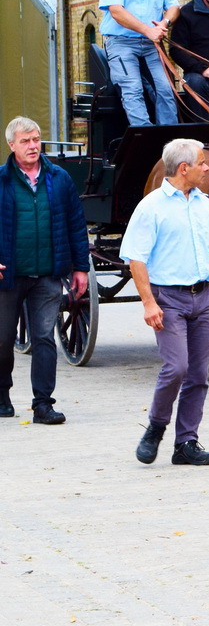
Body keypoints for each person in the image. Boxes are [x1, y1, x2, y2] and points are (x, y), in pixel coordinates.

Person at [121, 138, 209, 465]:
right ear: (184, 169)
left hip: (202, 298)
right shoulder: (151, 207)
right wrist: (149, 303)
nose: (208, 167)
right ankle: (155, 426)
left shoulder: (204, 205)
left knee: (198, 374)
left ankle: (187, 443)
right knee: (176, 367)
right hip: (169, 299)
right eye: (201, 163)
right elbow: (135, 259)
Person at [0, 117, 90, 424]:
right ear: (11, 145)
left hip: (49, 274)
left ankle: (43, 404)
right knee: (2, 339)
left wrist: (80, 268)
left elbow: (76, 225)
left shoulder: (59, 178)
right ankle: (2, 395)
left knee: (44, 338)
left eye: (36, 139)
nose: (33, 146)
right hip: (7, 277)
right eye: (25, 141)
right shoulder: (1, 180)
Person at [97, 0, 181, 127]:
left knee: (166, 89)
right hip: (121, 42)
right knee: (132, 88)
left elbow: (174, 7)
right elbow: (116, 11)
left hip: (152, 44)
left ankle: (170, 141)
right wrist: (148, 30)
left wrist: (165, 22)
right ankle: (145, 137)